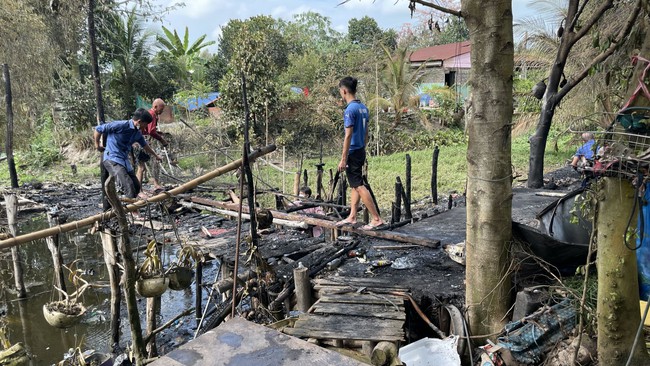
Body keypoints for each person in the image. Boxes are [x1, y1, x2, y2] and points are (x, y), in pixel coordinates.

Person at [335, 76, 385, 230]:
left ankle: (376, 218)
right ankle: (352, 216)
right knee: (354, 185)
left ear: (344, 91)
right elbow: (366, 132)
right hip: (360, 150)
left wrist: (344, 158)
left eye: (340, 93)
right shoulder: (363, 107)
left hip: (353, 151)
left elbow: (348, 135)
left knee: (359, 186)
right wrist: (363, 147)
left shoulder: (350, 110)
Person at [94, 108, 162, 199]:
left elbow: (145, 145)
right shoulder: (120, 125)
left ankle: (130, 206)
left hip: (124, 160)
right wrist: (97, 145)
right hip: (112, 158)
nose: (145, 128)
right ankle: (133, 210)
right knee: (128, 185)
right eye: (145, 125)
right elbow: (98, 129)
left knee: (136, 187)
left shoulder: (137, 133)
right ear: (139, 122)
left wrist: (156, 156)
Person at [136, 98, 169, 191]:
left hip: (141, 140)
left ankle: (143, 187)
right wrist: (162, 140)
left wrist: (158, 132)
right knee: (151, 163)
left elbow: (149, 130)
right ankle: (151, 186)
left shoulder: (151, 114)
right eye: (161, 109)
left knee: (142, 166)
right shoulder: (151, 114)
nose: (162, 111)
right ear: (155, 107)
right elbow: (151, 132)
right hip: (142, 141)